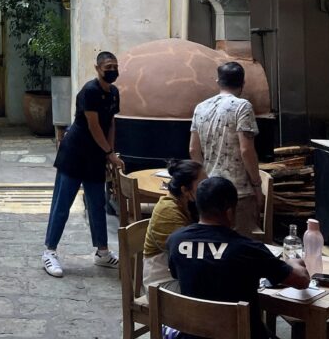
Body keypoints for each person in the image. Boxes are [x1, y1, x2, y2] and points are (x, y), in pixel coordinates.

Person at [167, 176, 309, 339]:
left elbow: (179, 274)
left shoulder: (176, 241)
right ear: (229, 211)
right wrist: (292, 262)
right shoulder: (247, 249)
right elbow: (301, 280)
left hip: (193, 335)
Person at [42, 50, 124, 278]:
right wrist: (109, 153)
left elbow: (110, 124)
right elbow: (93, 125)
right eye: (107, 67)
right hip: (75, 154)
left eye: (115, 66)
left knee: (97, 204)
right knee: (62, 204)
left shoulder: (114, 93)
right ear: (97, 69)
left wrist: (110, 151)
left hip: (96, 156)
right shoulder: (89, 91)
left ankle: (102, 252)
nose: (112, 71)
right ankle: (49, 252)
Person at [189, 60, 263, 237]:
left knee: (212, 244)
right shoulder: (243, 106)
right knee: (238, 246)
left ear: (218, 82)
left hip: (208, 190)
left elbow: (193, 149)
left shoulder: (201, 107)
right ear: (242, 83)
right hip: (237, 192)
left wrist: (202, 181)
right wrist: (257, 184)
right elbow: (246, 150)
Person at [143, 159, 206, 286]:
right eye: (202, 185)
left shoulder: (187, 205)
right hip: (162, 281)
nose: (206, 188)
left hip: (180, 273)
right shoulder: (168, 211)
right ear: (184, 190)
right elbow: (187, 257)